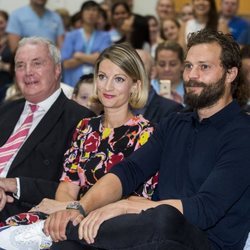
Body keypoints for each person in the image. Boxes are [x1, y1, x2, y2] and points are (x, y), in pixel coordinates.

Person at [43, 29, 250, 250]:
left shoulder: (242, 133)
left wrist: (128, 207)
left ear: (231, 74)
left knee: (163, 218)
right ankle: (70, 230)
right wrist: (80, 208)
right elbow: (129, 171)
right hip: (150, 236)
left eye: (204, 67)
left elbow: (205, 209)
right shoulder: (174, 124)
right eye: (189, 66)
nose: (192, 75)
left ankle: (66, 231)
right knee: (68, 246)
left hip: (202, 243)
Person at [0, 42, 158, 250]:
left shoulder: (146, 134)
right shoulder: (86, 127)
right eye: (102, 77)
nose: (108, 87)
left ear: (135, 86)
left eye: (118, 79)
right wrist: (64, 210)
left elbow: (134, 200)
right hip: (70, 218)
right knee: (7, 236)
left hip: (111, 226)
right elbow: (68, 185)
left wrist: (69, 208)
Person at [0, 36, 95, 222]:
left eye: (37, 63)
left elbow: (77, 191)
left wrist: (13, 185)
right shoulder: (5, 110)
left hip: (25, 215)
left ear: (57, 68)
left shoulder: (82, 120)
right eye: (20, 65)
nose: (27, 72)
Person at [61, 0, 112, 87]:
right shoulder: (71, 36)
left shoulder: (105, 36)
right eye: (87, 10)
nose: (91, 13)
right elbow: (66, 64)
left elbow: (103, 61)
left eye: (94, 10)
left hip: (96, 85)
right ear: (81, 14)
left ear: (98, 15)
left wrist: (79, 56)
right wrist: (93, 57)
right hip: (72, 84)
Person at [134, 49, 183, 124]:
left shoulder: (172, 110)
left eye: (138, 65)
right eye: (126, 65)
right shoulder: (113, 106)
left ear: (152, 72)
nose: (131, 70)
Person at [0, 10, 13, 103]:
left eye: (1, 22)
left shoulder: (14, 42)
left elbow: (21, 68)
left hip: (7, 88)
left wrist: (3, 66)